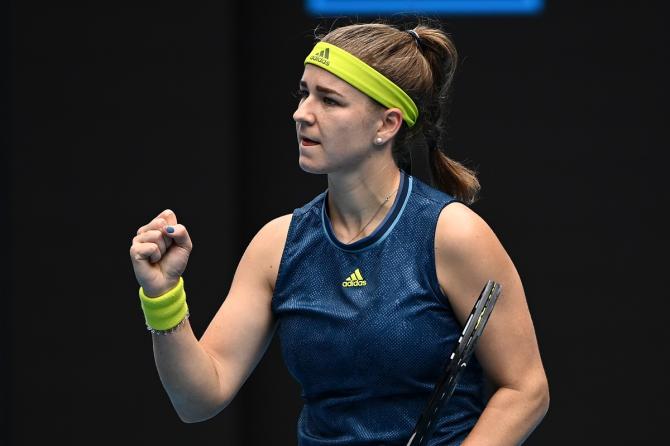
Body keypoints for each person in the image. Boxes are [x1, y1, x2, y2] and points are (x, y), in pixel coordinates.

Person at [130, 21, 549, 445]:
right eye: (304, 93)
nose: (302, 113)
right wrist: (163, 297)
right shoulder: (277, 245)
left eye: (329, 100)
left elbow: (525, 389)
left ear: (386, 125)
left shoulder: (454, 235)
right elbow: (199, 398)